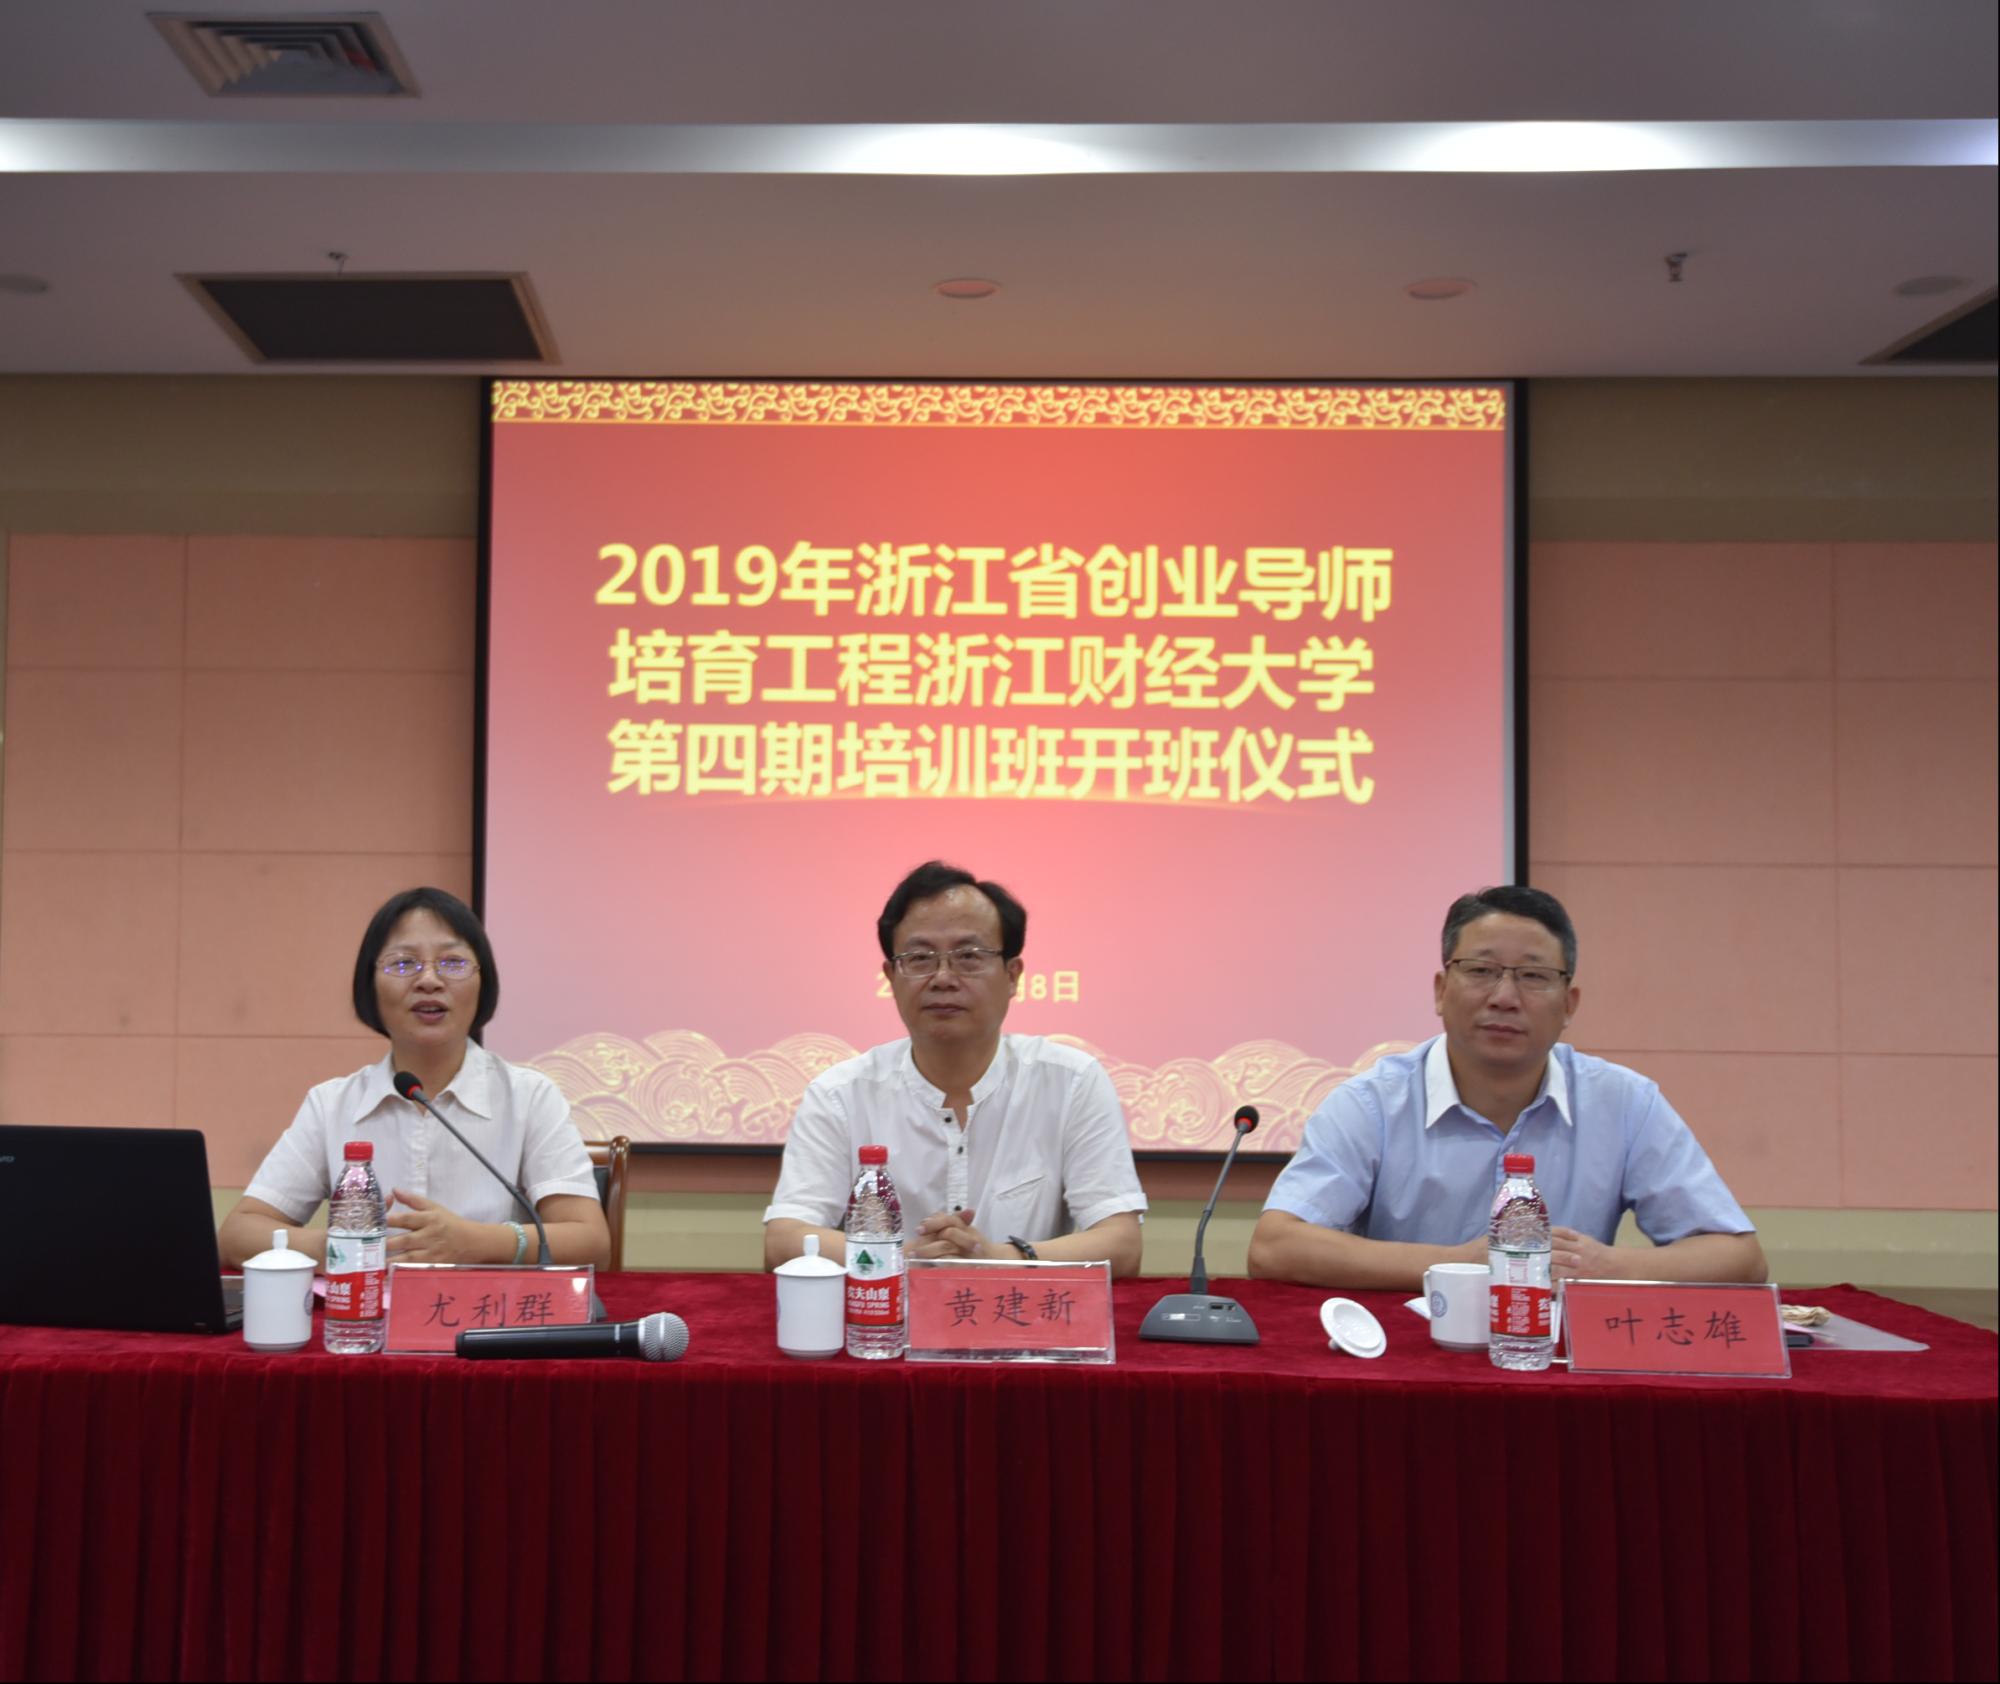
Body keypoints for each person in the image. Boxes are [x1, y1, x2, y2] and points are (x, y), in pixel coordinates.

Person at [1248, 885, 1764, 1292]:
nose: (1504, 997)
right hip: (1405, 1357)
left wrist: (1605, 1267)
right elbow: (1275, 1247)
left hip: (1558, 1357)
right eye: (1481, 970)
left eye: (1533, 976)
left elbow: (1739, 1258)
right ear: (1440, 991)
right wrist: (1460, 1264)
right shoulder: (1372, 1103)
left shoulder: (1625, 1103)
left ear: (1569, 1005)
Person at [763, 861, 1146, 1276]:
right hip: (886, 1313)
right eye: (919, 958)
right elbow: (785, 1240)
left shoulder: (1070, 1082)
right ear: (891, 977)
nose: (943, 978)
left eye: (969, 957)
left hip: (1020, 1312)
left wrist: (994, 1257)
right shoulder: (841, 1093)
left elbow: (1122, 1244)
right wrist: (908, 1256)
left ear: (1012, 975)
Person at [218, 887, 610, 1270]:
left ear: (483, 982)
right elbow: (237, 1234)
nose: (429, 981)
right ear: (369, 986)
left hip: (486, 1311)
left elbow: (590, 1241)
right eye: (404, 964)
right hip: (369, 1310)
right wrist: (339, 1248)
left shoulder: (529, 1097)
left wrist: (477, 1243)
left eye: (452, 963)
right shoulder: (332, 1105)